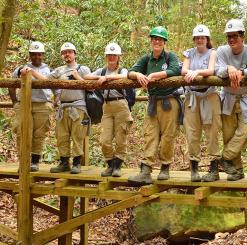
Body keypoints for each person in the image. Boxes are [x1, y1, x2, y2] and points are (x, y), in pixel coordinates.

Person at [210, 19, 247, 182]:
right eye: (229, 36)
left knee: (245, 131)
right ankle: (237, 170)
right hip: (227, 98)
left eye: (235, 36)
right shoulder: (222, 51)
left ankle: (225, 157)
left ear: (243, 36)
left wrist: (242, 72)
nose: (232, 39)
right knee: (228, 134)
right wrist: (229, 68)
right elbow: (217, 70)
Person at [127, 26, 182, 185]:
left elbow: (175, 70)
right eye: (154, 39)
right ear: (151, 41)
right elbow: (130, 72)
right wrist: (138, 74)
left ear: (164, 42)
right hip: (152, 101)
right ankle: (146, 170)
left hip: (169, 101)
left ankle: (165, 167)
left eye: (160, 39)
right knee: (150, 134)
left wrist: (153, 76)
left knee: (168, 135)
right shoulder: (146, 59)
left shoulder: (170, 56)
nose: (157, 42)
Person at [31, 42, 91, 174]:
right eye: (64, 52)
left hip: (78, 106)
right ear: (62, 55)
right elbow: (45, 81)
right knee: (62, 136)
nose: (67, 54)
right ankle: (64, 162)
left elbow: (91, 87)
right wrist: (32, 72)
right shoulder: (58, 70)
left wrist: (77, 77)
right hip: (63, 107)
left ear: (75, 54)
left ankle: (77, 163)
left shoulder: (83, 69)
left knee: (77, 135)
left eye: (69, 52)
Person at [84, 43, 133, 177]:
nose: (111, 57)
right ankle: (110, 164)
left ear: (118, 57)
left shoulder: (122, 70)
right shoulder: (102, 71)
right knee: (104, 139)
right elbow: (86, 77)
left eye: (114, 55)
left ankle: (117, 166)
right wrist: (99, 77)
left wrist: (107, 78)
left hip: (121, 105)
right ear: (106, 56)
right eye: (109, 55)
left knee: (120, 138)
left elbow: (126, 77)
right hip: (107, 107)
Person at [181, 24, 220, 182]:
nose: (199, 40)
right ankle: (194, 169)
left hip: (209, 94)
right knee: (192, 132)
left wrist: (195, 72)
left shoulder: (213, 53)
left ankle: (214, 168)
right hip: (192, 96)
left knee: (212, 132)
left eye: (202, 37)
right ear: (194, 39)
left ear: (207, 39)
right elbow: (183, 70)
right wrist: (189, 72)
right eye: (197, 38)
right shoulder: (189, 53)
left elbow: (211, 71)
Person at [10, 41, 54, 171]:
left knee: (39, 133)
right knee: (22, 131)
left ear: (43, 55)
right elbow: (11, 85)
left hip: (42, 104)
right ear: (30, 55)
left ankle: (34, 162)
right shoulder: (20, 69)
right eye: (34, 54)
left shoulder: (48, 70)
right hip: (24, 104)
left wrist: (54, 102)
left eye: (39, 54)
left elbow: (55, 88)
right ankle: (23, 161)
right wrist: (14, 102)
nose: (36, 57)